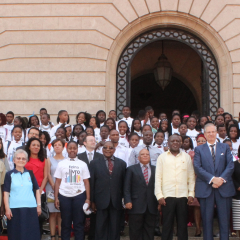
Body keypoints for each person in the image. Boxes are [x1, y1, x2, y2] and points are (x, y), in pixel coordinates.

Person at [194, 123, 235, 240]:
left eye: (213, 132)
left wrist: (221, 179)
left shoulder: (225, 147)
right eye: (208, 132)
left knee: (224, 220)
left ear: (216, 133)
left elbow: (230, 166)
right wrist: (212, 179)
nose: (211, 134)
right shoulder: (198, 149)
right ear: (205, 134)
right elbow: (197, 167)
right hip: (206, 188)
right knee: (207, 221)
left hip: (224, 187)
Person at [155, 134, 195, 240]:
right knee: (167, 225)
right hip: (167, 196)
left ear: (181, 143)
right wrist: (159, 196)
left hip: (183, 196)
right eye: (173, 141)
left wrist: (191, 194)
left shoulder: (186, 157)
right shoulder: (162, 157)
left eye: (178, 141)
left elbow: (191, 177)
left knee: (182, 226)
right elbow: (158, 178)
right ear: (168, 143)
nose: (175, 143)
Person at [90, 141, 126, 240]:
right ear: (102, 150)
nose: (108, 150)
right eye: (105, 147)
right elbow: (92, 183)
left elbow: (124, 184)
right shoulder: (94, 163)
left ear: (114, 150)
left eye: (111, 148)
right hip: (100, 201)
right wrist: (92, 201)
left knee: (115, 228)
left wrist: (124, 199)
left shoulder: (122, 164)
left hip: (116, 201)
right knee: (100, 227)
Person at [54, 141, 90, 240]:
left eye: (74, 148)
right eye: (70, 148)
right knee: (66, 223)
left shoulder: (83, 164)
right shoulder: (61, 164)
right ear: (67, 149)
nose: (72, 150)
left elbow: (86, 182)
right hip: (64, 196)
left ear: (77, 149)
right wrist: (56, 197)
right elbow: (57, 181)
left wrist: (87, 199)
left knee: (79, 223)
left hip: (79, 195)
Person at [4, 149, 41, 240]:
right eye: (18, 158)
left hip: (31, 208)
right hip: (15, 209)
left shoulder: (30, 174)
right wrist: (7, 208)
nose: (21, 160)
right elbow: (6, 192)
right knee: (15, 234)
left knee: (31, 235)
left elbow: (37, 190)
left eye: (23, 158)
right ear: (14, 160)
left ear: (26, 160)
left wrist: (38, 205)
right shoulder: (9, 174)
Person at [124, 149, 159, 240]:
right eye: (142, 154)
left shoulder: (156, 169)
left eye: (147, 154)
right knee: (135, 231)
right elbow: (127, 186)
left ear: (150, 157)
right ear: (138, 157)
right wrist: (127, 200)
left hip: (151, 205)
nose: (145, 156)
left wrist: (159, 202)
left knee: (149, 231)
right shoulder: (131, 169)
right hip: (135, 205)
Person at [77, 135, 103, 240]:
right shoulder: (79, 156)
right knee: (81, 216)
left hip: (97, 190)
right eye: (90, 140)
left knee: (96, 216)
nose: (93, 142)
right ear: (84, 143)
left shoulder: (101, 156)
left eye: (94, 140)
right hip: (82, 190)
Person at [25, 137, 48, 236]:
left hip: (40, 192)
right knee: (27, 218)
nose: (36, 147)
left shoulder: (44, 160)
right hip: (26, 193)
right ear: (29, 147)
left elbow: (46, 176)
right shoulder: (24, 159)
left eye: (38, 145)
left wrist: (39, 190)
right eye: (33, 145)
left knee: (39, 219)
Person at [46, 139, 66, 240]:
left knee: (61, 213)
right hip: (51, 188)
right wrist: (54, 185)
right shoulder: (49, 159)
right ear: (53, 147)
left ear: (63, 147)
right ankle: (53, 236)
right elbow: (48, 174)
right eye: (55, 145)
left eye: (59, 145)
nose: (57, 146)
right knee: (52, 213)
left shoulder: (66, 160)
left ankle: (61, 236)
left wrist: (60, 187)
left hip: (63, 189)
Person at [232, 146, 240, 236]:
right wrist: (237, 187)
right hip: (237, 197)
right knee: (239, 224)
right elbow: (231, 178)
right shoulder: (234, 164)